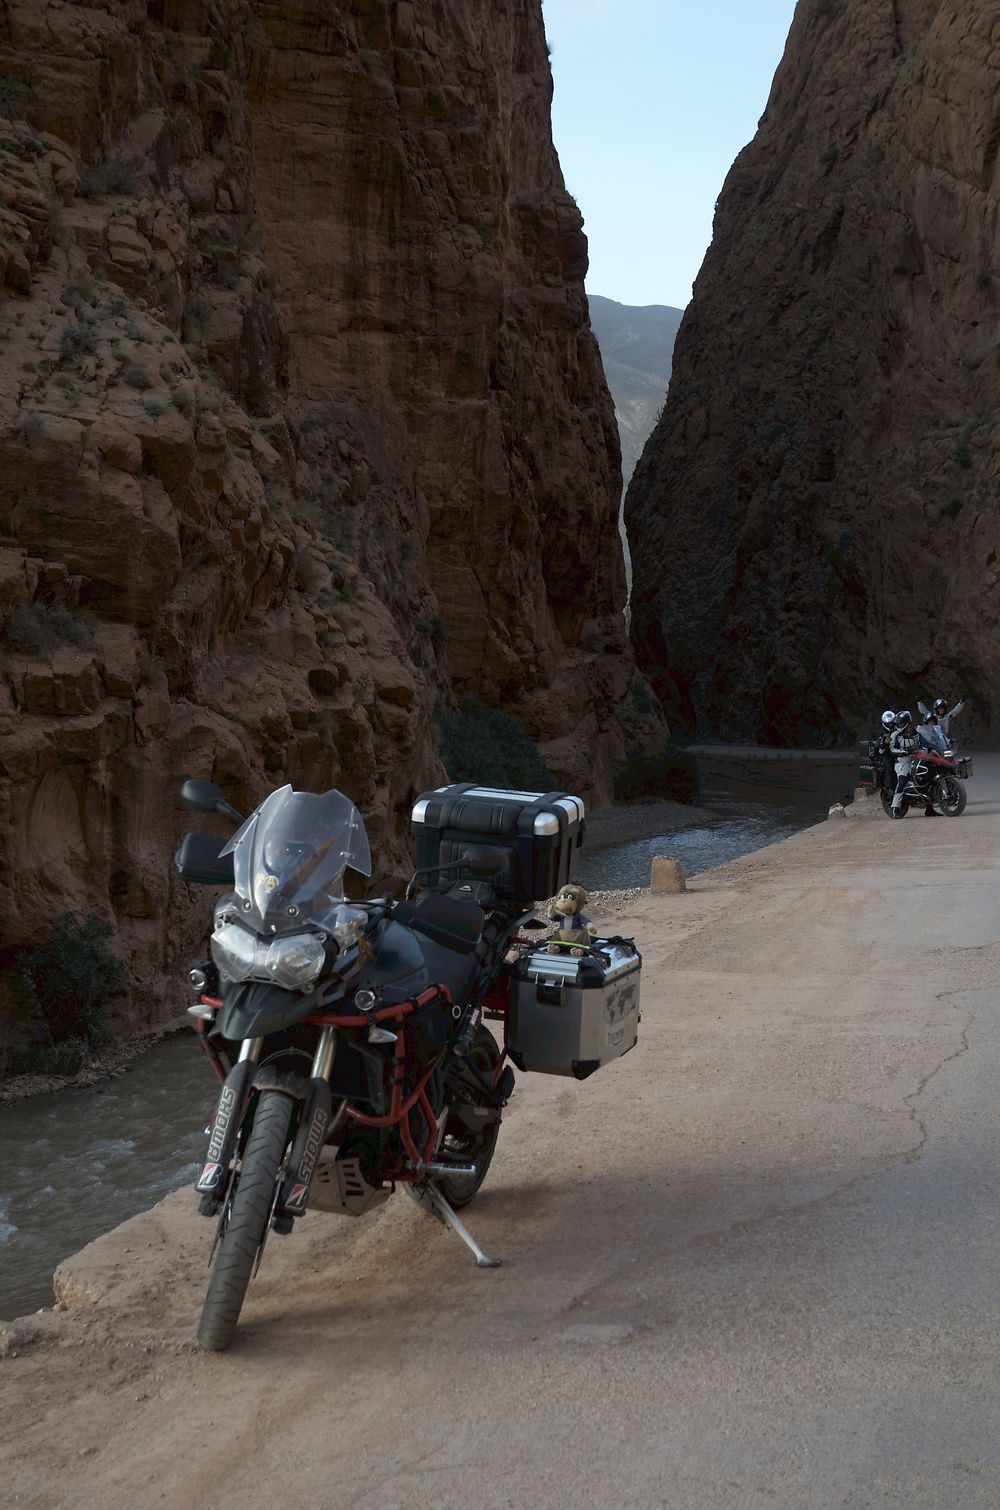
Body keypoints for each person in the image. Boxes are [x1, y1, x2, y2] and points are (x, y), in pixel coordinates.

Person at [889, 710, 920, 818]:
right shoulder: (895, 735)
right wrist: (903, 752)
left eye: (901, 723)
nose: (899, 725)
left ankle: (929, 808)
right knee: (902, 781)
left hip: (916, 760)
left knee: (928, 776)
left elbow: (923, 742)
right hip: (902, 763)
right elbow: (892, 750)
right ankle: (895, 807)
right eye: (898, 723)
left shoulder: (914, 732)